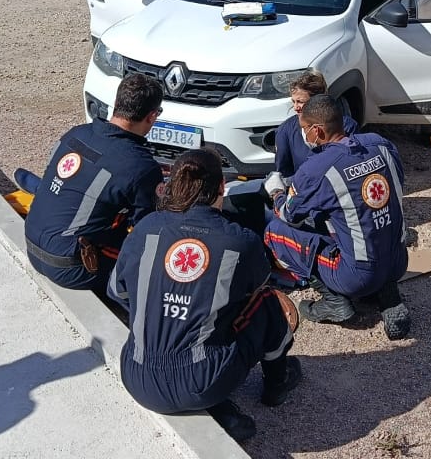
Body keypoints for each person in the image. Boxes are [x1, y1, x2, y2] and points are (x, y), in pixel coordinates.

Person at [108, 149, 302, 443]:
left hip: (136, 375)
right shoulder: (241, 241)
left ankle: (219, 408)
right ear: (222, 187)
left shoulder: (147, 227)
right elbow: (258, 284)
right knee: (266, 303)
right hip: (203, 381)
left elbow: (117, 291)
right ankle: (278, 382)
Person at [263, 95, 412, 340]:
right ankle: (385, 290)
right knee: (348, 218)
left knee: (275, 232)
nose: (304, 136)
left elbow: (289, 214)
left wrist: (276, 190)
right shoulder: (380, 144)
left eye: (304, 130)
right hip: (398, 260)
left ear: (317, 131)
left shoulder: (319, 168)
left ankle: (334, 300)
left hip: (356, 276)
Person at [24, 73, 166, 291]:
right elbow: (148, 230)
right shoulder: (140, 166)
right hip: (74, 268)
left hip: (33, 246)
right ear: (152, 116)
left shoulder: (76, 134)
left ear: (117, 103)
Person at [270, 71, 360, 181]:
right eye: (293, 101)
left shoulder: (346, 125)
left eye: (300, 102)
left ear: (318, 100)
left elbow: (355, 160)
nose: (295, 107)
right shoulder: (285, 131)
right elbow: (284, 173)